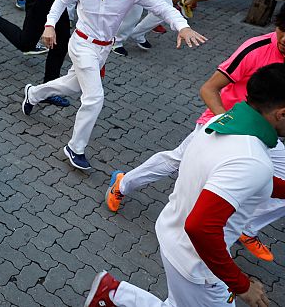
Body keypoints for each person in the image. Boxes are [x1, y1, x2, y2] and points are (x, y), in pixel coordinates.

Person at [85, 63, 285, 307]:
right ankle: (113, 296)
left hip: (173, 234)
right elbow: (201, 228)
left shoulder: (223, 121)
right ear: (281, 113)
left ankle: (113, 295)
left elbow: (245, 179)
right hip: (197, 265)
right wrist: (241, 285)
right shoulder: (253, 159)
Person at [105, 10, 285, 259]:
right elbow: (209, 89)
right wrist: (231, 125)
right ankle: (122, 183)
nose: (284, 38)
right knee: (176, 160)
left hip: (264, 133)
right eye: (282, 29)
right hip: (225, 122)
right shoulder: (256, 48)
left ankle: (247, 228)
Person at [21, 0, 206, 171]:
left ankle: (33, 93)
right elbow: (61, 1)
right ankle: (75, 148)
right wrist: (49, 25)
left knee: (72, 85)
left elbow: (162, 8)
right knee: (94, 97)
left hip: (103, 50)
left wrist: (182, 26)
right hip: (81, 44)